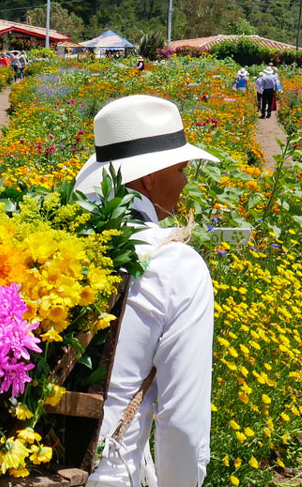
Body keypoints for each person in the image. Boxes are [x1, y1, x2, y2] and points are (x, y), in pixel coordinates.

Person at [75, 95, 217, 487]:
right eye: (182, 168)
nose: (186, 181)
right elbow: (182, 425)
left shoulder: (56, 242)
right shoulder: (174, 265)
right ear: (149, 177)